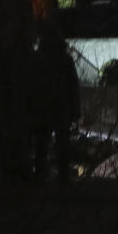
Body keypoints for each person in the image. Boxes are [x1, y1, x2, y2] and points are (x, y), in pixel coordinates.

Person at [30, 29, 80, 185]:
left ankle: (40, 176)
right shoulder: (65, 60)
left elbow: (31, 86)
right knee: (62, 144)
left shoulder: (38, 59)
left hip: (43, 108)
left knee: (42, 144)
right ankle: (63, 177)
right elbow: (73, 86)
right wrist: (75, 110)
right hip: (60, 107)